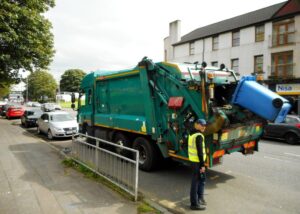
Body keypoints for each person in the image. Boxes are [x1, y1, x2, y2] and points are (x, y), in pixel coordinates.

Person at [188, 118, 207, 211]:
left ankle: (199, 198)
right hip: (197, 162)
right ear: (197, 125)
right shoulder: (199, 136)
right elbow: (200, 152)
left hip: (193, 161)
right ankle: (194, 204)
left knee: (200, 179)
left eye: (205, 125)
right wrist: (202, 165)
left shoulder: (191, 133)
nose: (204, 127)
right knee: (196, 182)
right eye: (202, 125)